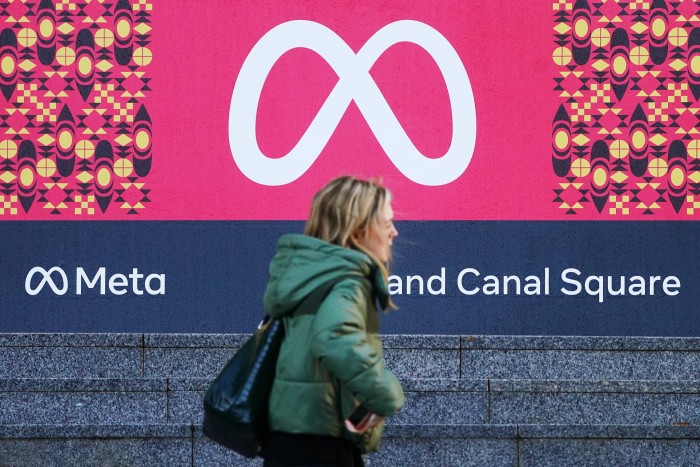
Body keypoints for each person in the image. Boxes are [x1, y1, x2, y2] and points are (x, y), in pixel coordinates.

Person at [260, 176, 405, 467]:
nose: (395, 233)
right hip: (322, 449)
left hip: (286, 443)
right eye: (387, 223)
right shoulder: (346, 282)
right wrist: (388, 393)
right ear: (360, 230)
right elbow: (333, 336)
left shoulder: (312, 276)